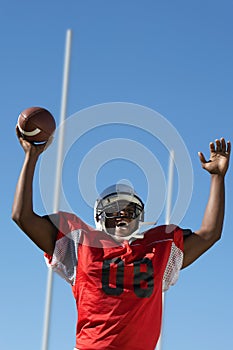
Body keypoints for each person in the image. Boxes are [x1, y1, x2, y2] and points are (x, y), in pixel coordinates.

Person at [12, 127, 231, 350]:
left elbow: (210, 234)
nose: (121, 217)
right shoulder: (81, 244)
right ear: (100, 217)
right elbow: (22, 216)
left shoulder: (157, 248)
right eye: (113, 211)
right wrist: (31, 156)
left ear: (139, 217)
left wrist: (217, 178)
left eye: (127, 211)